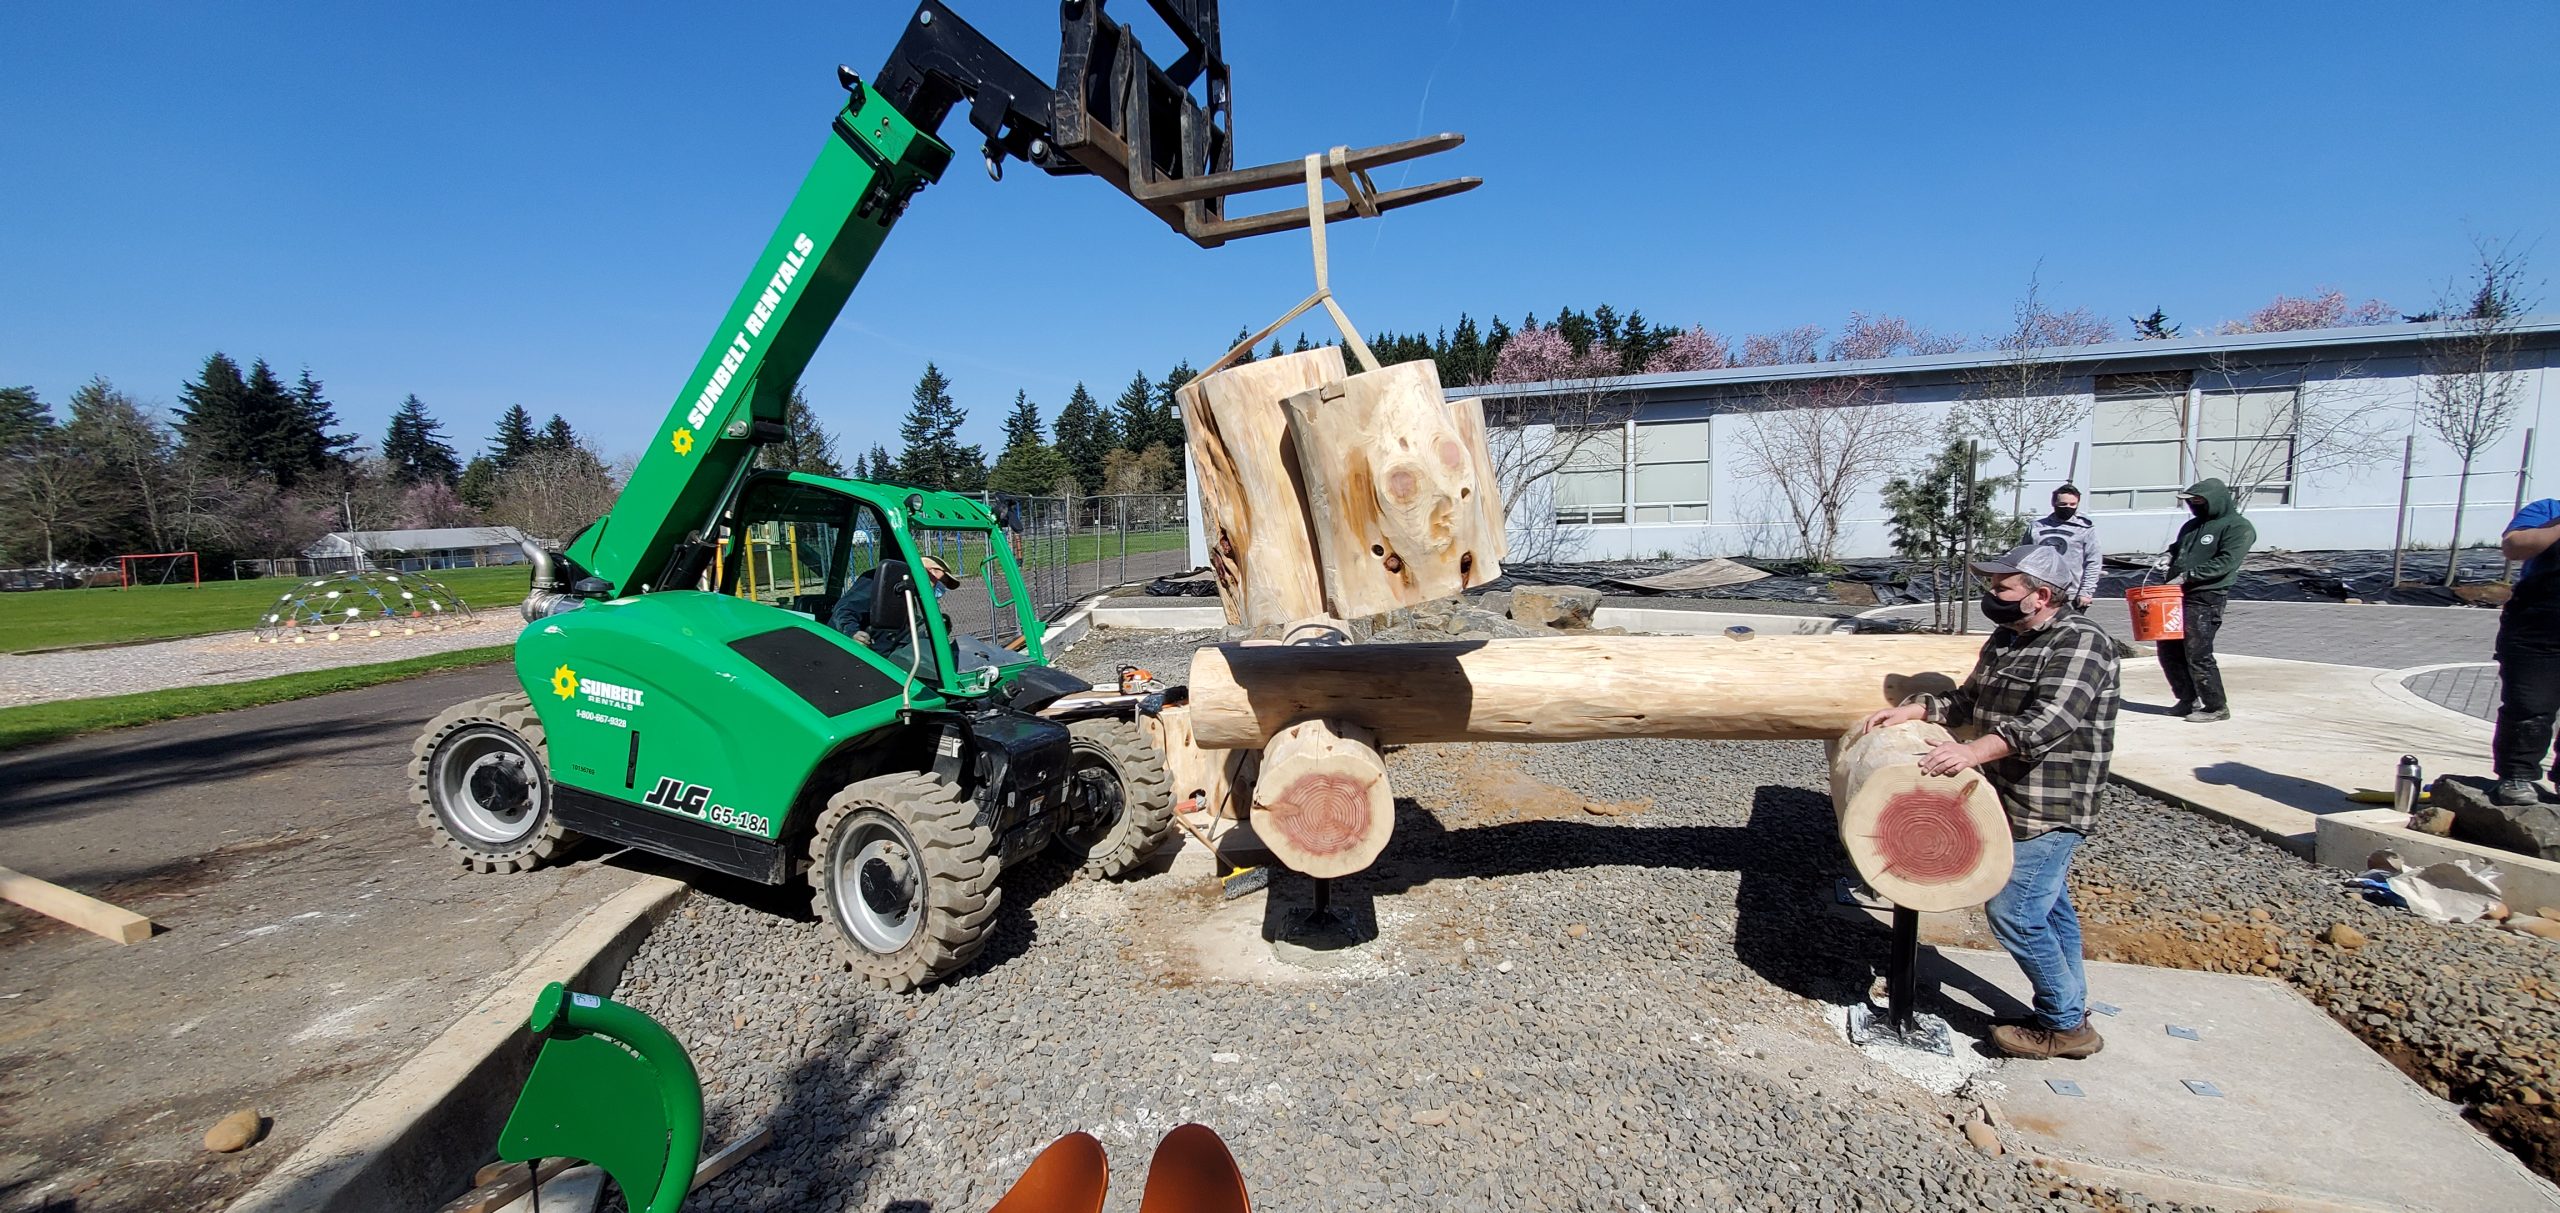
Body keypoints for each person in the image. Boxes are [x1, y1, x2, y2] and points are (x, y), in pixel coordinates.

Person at [1862, 537, 2121, 1060]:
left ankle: (2065, 1025)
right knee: (2049, 908)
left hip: (2052, 802)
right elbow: (1967, 701)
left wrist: (1972, 752)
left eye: (2003, 587)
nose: (1992, 595)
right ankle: (2070, 1006)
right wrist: (1915, 710)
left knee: (2015, 913)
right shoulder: (2008, 638)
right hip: (2007, 794)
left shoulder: (2081, 643)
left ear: (2041, 595)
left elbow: (2049, 721)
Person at [2158, 478, 2254, 723]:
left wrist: (2188, 576)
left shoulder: (2237, 527)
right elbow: (2178, 548)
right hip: (2175, 595)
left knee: (2197, 651)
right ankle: (2187, 698)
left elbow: (2226, 561)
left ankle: (2215, 706)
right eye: (2191, 502)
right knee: (2169, 649)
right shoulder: (2192, 526)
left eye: (2198, 501)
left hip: (2205, 596)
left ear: (2215, 500)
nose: (2194, 506)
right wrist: (2168, 556)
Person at [2493, 498, 2560, 806]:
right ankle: (2517, 775)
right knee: (2529, 705)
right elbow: (2514, 546)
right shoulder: (2548, 510)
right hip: (2538, 626)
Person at [2026, 483, 2102, 611]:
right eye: (2063, 504)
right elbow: (2025, 558)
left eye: (2072, 504)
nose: (2068, 508)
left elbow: (2093, 562)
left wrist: (2086, 592)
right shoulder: (2036, 527)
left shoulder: (2085, 529)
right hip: (2040, 591)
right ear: (2054, 503)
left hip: (2071, 594)